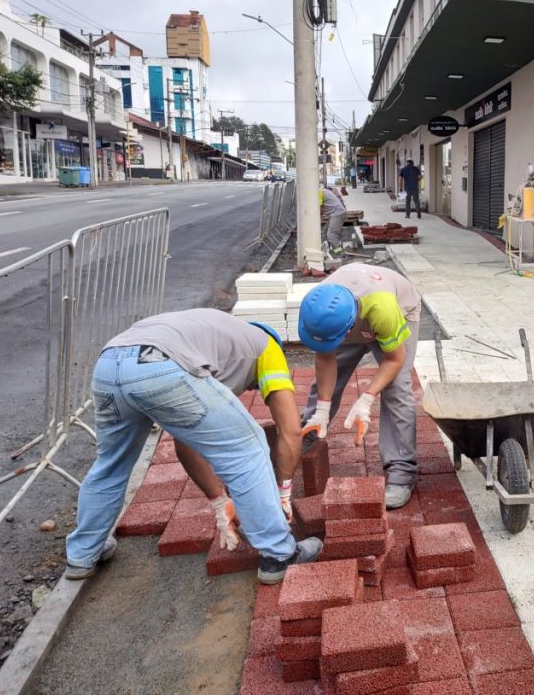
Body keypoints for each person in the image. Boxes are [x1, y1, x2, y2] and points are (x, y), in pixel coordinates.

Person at [64, 308, 322, 585]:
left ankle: (83, 554)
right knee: (247, 446)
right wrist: (283, 494)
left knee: (111, 464)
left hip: (109, 364)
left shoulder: (211, 339)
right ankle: (279, 553)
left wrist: (219, 501)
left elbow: (186, 439)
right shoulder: (266, 347)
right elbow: (290, 430)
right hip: (160, 365)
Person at [298, 264, 421, 509]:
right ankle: (305, 437)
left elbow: (394, 360)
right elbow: (325, 356)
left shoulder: (383, 309)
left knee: (397, 388)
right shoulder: (318, 308)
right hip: (347, 319)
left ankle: (402, 471)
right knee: (323, 388)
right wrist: (322, 409)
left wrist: (366, 397)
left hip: (398, 310)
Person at [320, 186, 348, 256]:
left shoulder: (318, 193)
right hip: (335, 213)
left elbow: (319, 210)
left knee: (331, 235)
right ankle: (327, 251)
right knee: (324, 233)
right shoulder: (320, 191)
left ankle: (340, 253)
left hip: (337, 213)